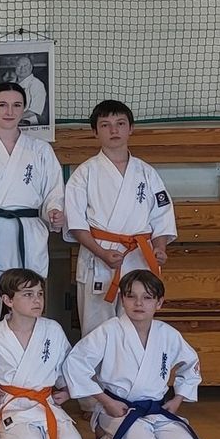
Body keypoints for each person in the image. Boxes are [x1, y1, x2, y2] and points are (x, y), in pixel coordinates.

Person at [63, 271, 220, 439]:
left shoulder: (167, 334)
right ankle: (104, 438)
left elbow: (190, 365)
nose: (139, 303)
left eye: (147, 298)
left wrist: (177, 399)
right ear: (122, 299)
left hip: (156, 410)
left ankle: (142, 438)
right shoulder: (109, 330)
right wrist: (107, 402)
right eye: (131, 296)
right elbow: (76, 363)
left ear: (159, 302)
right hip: (118, 410)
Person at [0, 84, 64, 338]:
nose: (9, 111)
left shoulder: (40, 150)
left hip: (26, 234)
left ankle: (28, 360)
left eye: (17, 105)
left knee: (28, 301)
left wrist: (54, 210)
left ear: (24, 108)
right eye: (2, 105)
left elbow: (53, 191)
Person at [65, 100, 176, 335]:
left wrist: (160, 248)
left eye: (120, 123)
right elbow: (76, 223)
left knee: (136, 328)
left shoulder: (147, 173)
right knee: (96, 332)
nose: (113, 130)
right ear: (95, 132)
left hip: (138, 258)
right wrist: (101, 253)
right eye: (105, 125)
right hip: (99, 258)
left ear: (131, 128)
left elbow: (162, 216)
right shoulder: (84, 173)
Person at [0, 268, 90, 439]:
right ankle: (23, 437)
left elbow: (66, 366)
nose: (37, 300)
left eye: (40, 294)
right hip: (9, 404)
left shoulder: (52, 329)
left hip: (44, 403)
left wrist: (67, 390)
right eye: (28, 294)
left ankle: (40, 436)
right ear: (8, 300)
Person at [9, 55, 48, 126]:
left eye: (25, 65)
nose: (22, 68)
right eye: (19, 65)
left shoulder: (37, 84)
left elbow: (34, 111)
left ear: (31, 67)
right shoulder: (10, 84)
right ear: (15, 67)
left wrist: (13, 118)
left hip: (28, 124)